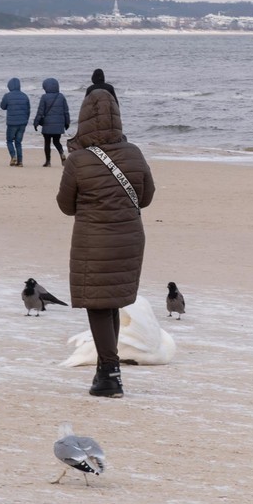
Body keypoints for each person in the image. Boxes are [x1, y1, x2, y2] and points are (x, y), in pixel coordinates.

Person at [56, 88, 155, 398]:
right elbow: (147, 197)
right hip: (129, 237)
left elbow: (66, 205)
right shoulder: (134, 153)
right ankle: (106, 370)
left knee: (99, 306)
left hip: (93, 239)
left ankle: (110, 374)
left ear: (84, 118)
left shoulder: (78, 159)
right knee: (109, 302)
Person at [33, 78, 71, 167]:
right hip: (58, 125)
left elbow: (40, 112)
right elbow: (66, 111)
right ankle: (62, 154)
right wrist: (67, 123)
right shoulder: (61, 96)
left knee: (47, 143)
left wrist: (36, 123)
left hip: (47, 125)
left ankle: (48, 161)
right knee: (57, 141)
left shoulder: (44, 97)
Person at [0, 78, 31, 167]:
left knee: (9, 141)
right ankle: (20, 162)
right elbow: (28, 110)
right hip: (23, 123)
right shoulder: (25, 96)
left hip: (11, 123)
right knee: (18, 142)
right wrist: (26, 120)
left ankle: (13, 156)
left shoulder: (7, 96)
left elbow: (2, 106)